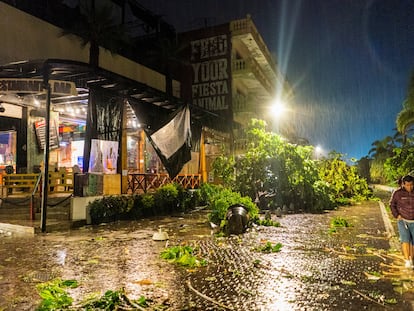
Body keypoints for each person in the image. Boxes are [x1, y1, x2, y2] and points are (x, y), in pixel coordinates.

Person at [390, 174, 414, 268]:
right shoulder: (397, 193)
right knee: (405, 240)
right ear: (403, 184)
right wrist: (397, 215)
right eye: (407, 185)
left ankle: (411, 260)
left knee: (413, 242)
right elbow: (392, 205)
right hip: (403, 220)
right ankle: (407, 260)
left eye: (411, 185)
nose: (409, 187)